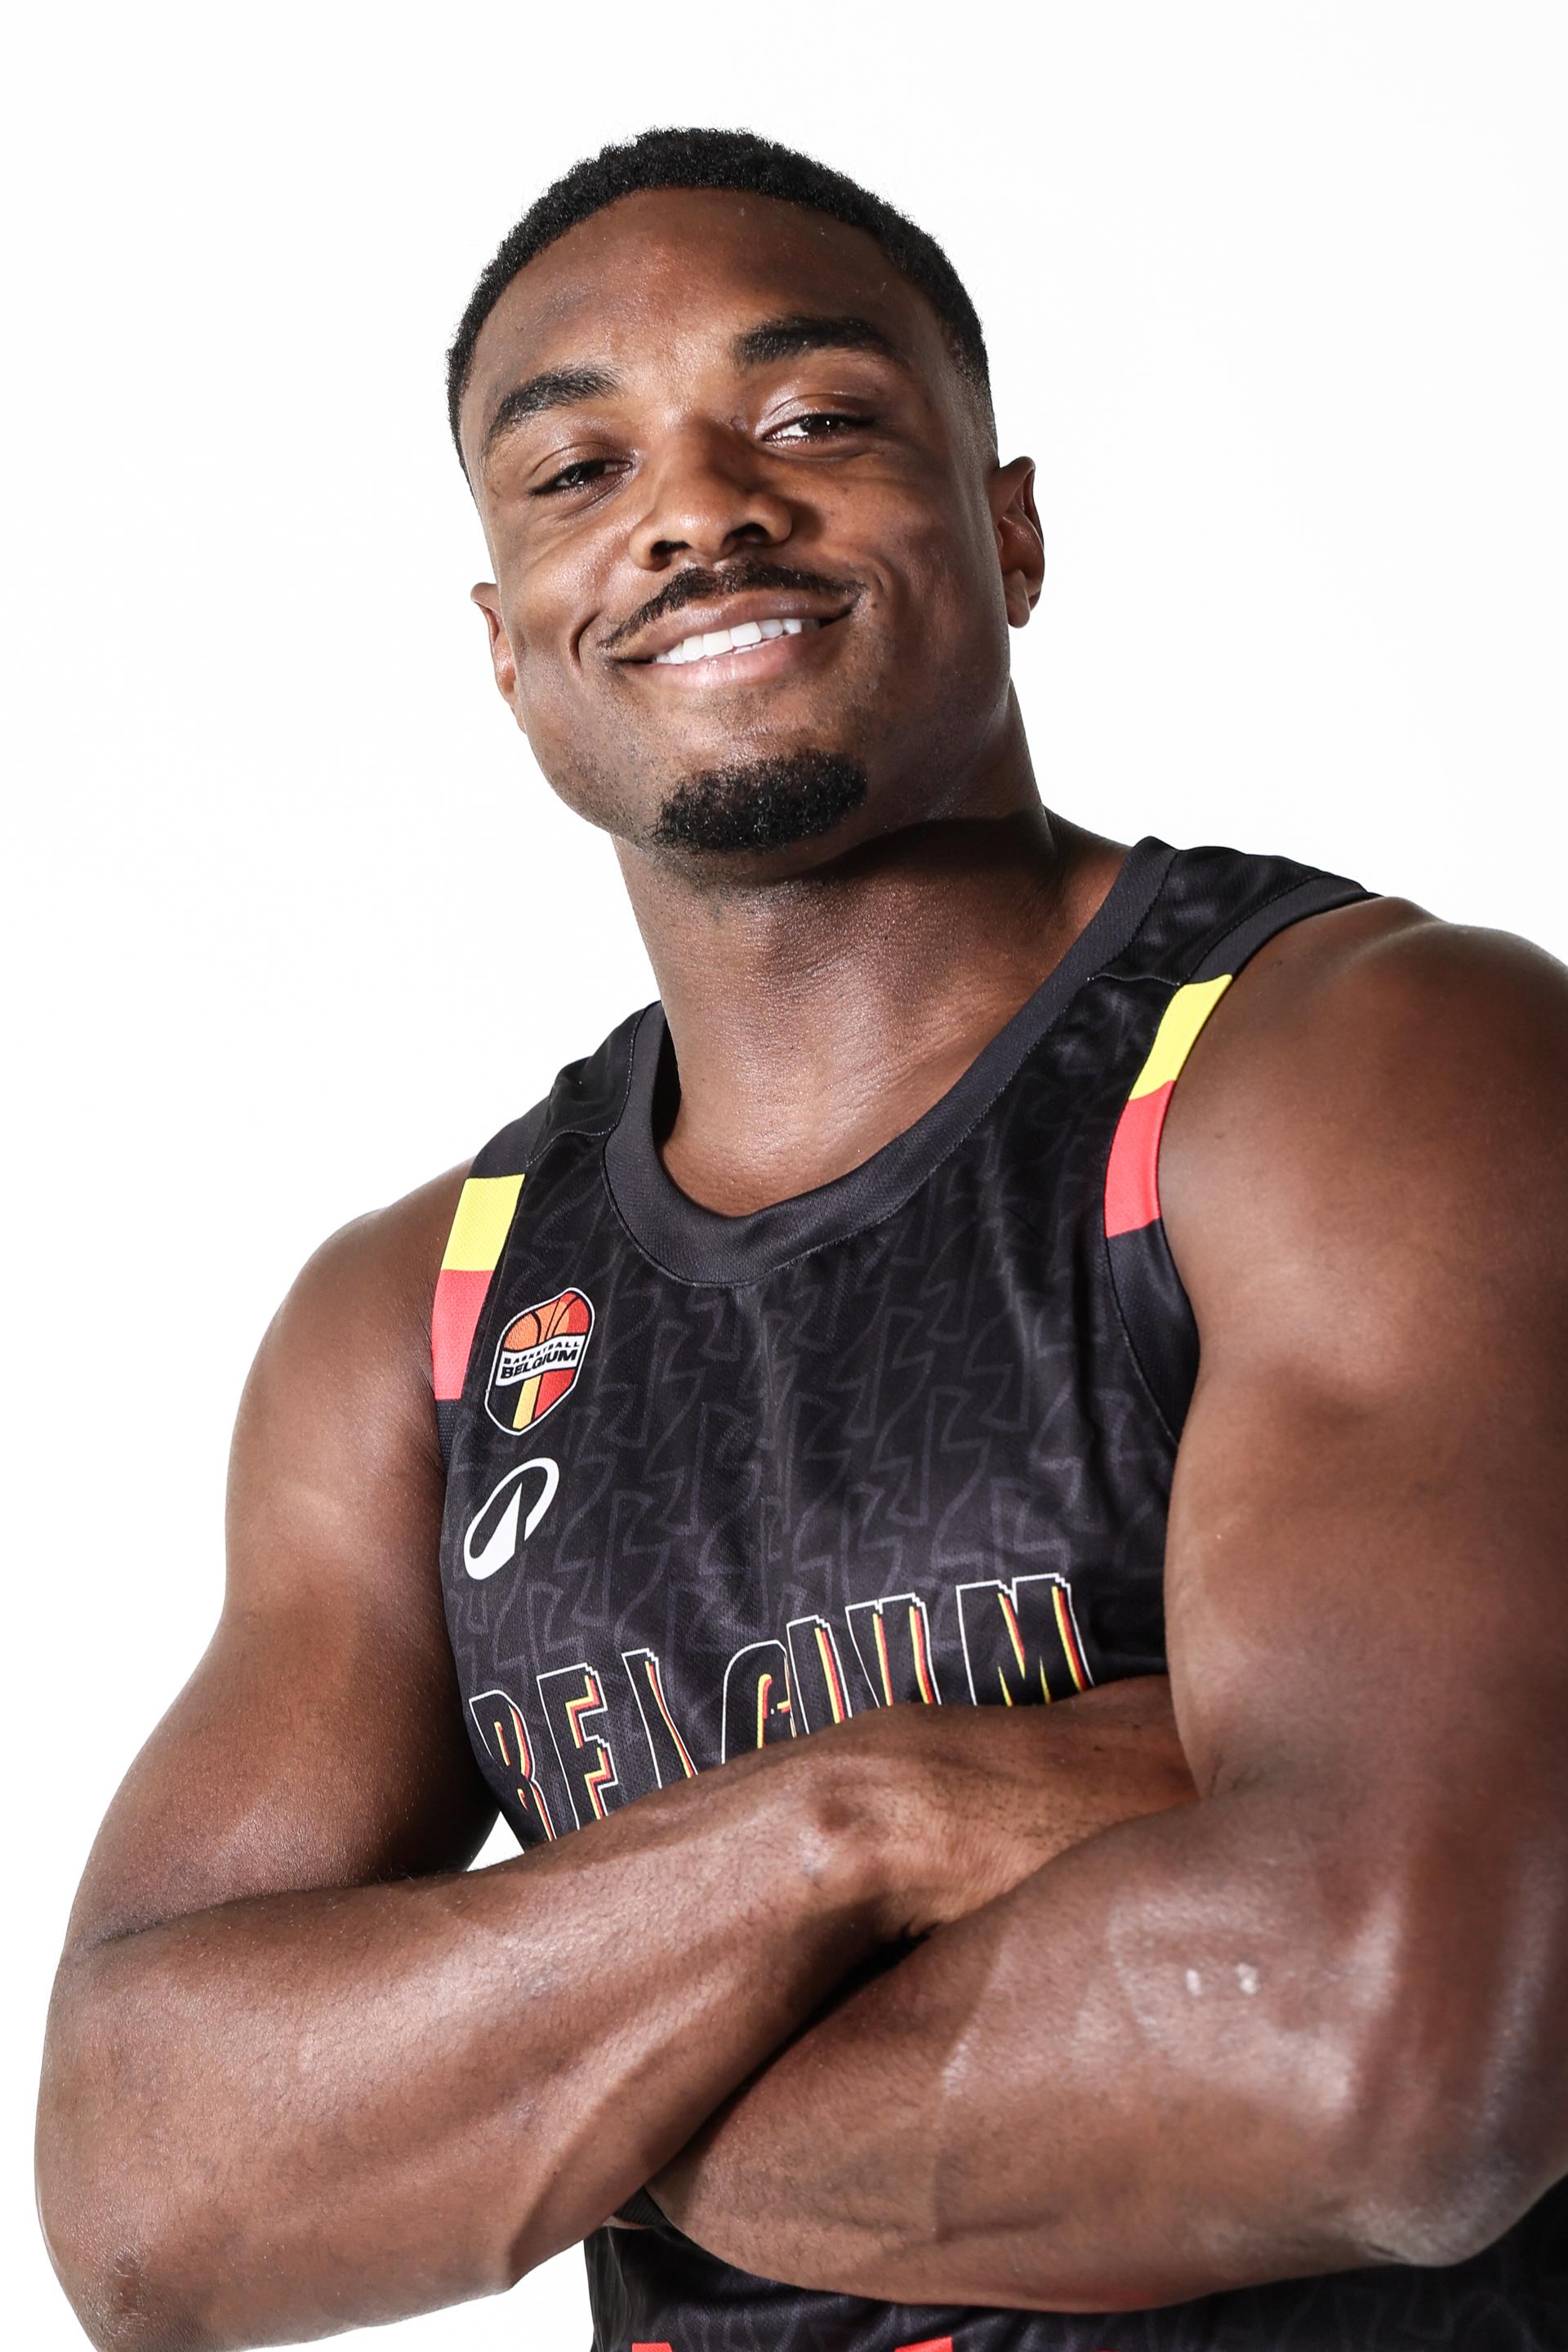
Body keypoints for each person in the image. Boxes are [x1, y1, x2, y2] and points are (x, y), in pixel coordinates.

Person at [37, 125, 1568, 2352]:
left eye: (816, 421)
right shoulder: (427, 1319)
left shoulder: (1351, 1073)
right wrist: (859, 1823)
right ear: (506, 645)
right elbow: (153, 2203)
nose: (695, 511)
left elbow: (1388, 2063)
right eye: (576, 471)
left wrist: (488, 2104)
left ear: (1009, 526)